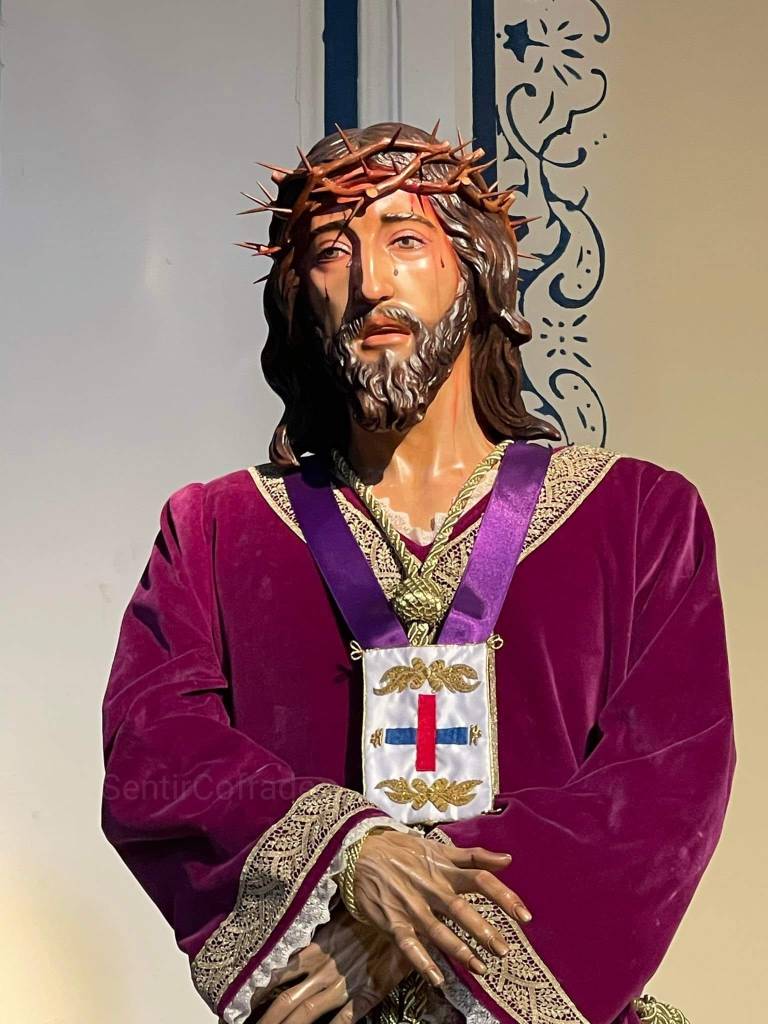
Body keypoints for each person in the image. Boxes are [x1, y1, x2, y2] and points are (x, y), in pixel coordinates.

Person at [101, 122, 735, 1024]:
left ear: (473, 269)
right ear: (299, 297)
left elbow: (664, 785)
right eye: (331, 252)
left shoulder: (638, 517)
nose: (369, 282)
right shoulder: (212, 530)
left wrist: (403, 933)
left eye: (405, 239)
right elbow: (155, 749)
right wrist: (353, 854)